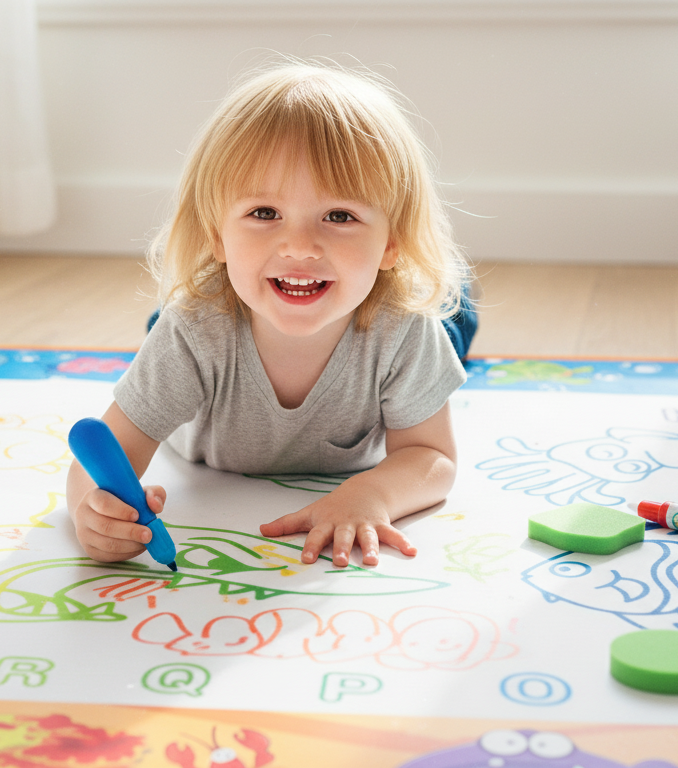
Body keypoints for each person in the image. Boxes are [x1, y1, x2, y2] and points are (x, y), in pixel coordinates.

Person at [66, 59, 476, 570]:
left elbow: (433, 460)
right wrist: (91, 509)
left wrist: (370, 495)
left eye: (339, 216)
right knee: (174, 316)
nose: (300, 246)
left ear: (392, 241)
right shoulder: (193, 332)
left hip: (372, 306)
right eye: (264, 214)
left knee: (451, 314)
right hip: (220, 312)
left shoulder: (406, 329)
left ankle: (457, 305)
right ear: (216, 234)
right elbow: (103, 455)